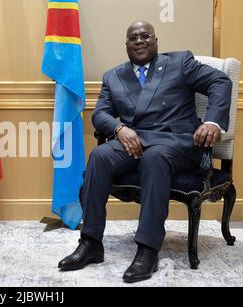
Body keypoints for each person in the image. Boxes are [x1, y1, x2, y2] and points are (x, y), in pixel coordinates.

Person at [58, 20, 232, 283]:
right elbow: (100, 113)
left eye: (145, 36)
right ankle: (91, 242)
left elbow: (220, 81)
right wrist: (119, 130)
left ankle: (148, 250)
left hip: (178, 142)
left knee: (155, 156)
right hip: (136, 142)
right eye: (133, 38)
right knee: (100, 156)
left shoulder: (180, 62)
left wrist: (212, 121)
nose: (139, 41)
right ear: (126, 45)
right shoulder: (113, 76)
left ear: (155, 40)